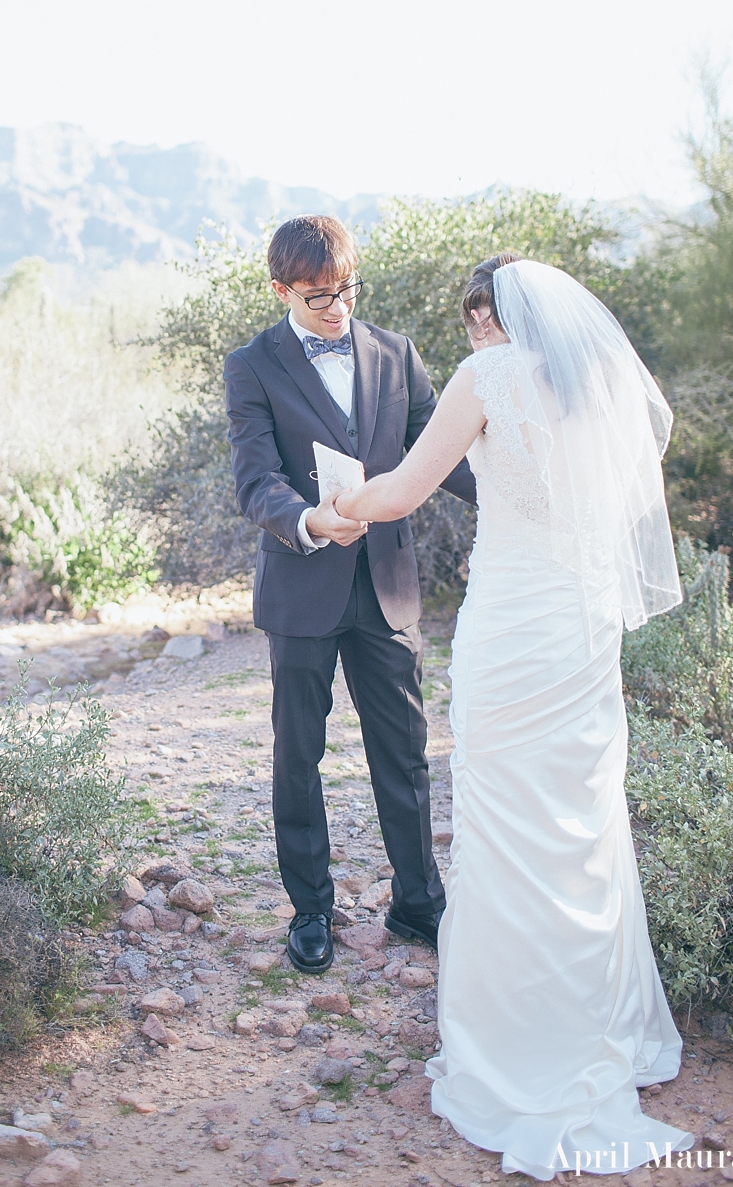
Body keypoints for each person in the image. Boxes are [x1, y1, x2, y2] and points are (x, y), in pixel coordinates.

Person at [331, 253, 694, 1179]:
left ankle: (519, 1050)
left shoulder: (487, 373)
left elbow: (406, 489)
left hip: (512, 629)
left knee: (504, 822)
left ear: (493, 314)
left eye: (472, 314)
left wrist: (340, 503)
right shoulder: (602, 381)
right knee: (579, 822)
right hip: (578, 633)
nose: (470, 329)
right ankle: (596, 1023)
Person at [224, 215, 477, 973]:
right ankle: (310, 910)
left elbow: (443, 449)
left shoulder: (396, 353)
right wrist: (305, 520)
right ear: (280, 290)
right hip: (302, 586)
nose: (336, 307)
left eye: (345, 289)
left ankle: (417, 904)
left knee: (403, 754)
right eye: (316, 296)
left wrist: (508, 499)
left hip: (388, 586)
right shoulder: (250, 365)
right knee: (297, 757)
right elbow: (253, 478)